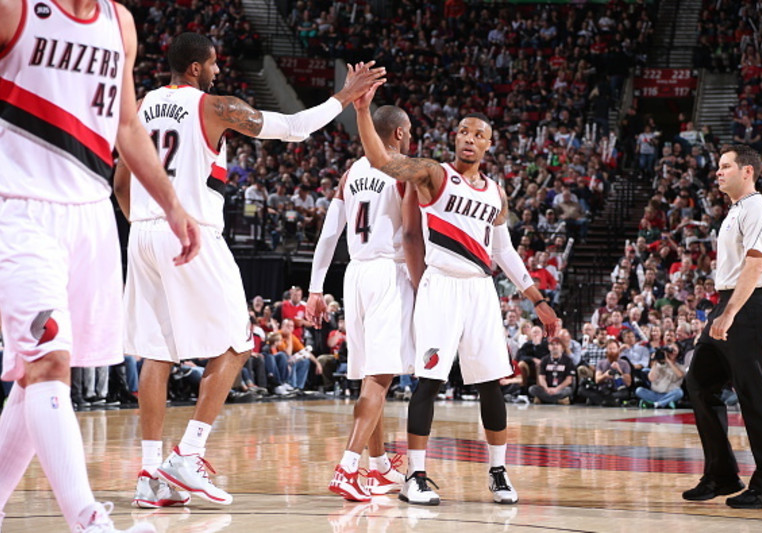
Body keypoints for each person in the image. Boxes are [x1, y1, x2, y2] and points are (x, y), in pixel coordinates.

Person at [113, 32, 384, 508]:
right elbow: (295, 127)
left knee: (157, 354)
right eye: (214, 64)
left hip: (142, 233)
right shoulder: (215, 106)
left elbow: (120, 181)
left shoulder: (140, 106)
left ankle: (148, 475)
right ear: (196, 68)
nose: (218, 71)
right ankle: (189, 454)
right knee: (240, 342)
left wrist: (143, 221)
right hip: (190, 230)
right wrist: (343, 95)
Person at [0, 1, 202, 531]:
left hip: (90, 213)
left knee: (31, 375)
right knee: (48, 361)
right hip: (18, 203)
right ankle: (88, 520)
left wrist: (172, 204)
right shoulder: (14, 10)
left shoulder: (120, 23)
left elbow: (128, 124)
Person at [355, 86, 559, 506]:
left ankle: (498, 473)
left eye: (478, 134)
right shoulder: (433, 173)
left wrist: (538, 300)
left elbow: (503, 251)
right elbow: (382, 160)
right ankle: (415, 476)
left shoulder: (495, 193)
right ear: (455, 138)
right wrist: (362, 110)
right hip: (441, 284)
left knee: (491, 385)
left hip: (481, 290)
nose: (469, 138)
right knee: (428, 382)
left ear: (489, 143)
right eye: (463, 132)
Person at [306, 101, 416, 502]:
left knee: (374, 375)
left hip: (354, 274)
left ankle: (380, 466)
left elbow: (329, 232)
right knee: (381, 376)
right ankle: (348, 467)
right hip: (388, 271)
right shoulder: (402, 168)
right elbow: (411, 238)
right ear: (400, 134)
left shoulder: (351, 172)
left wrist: (316, 288)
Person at [683, 145, 762, 509]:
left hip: (750, 305)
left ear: (748, 172)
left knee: (755, 396)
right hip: (728, 303)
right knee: (698, 384)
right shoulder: (735, 211)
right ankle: (722, 474)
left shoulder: (759, 208)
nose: (718, 172)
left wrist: (729, 314)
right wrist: (723, 311)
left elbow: (756, 265)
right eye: (718, 166)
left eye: (726, 166)